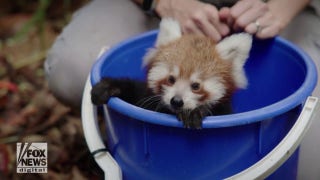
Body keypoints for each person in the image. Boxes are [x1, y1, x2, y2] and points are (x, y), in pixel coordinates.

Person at [44, 0, 320, 179]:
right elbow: (140, 90)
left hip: (273, 17)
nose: (178, 96)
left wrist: (279, 8)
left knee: (309, 167)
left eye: (196, 87)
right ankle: (125, 140)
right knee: (74, 68)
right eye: (172, 81)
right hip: (156, 10)